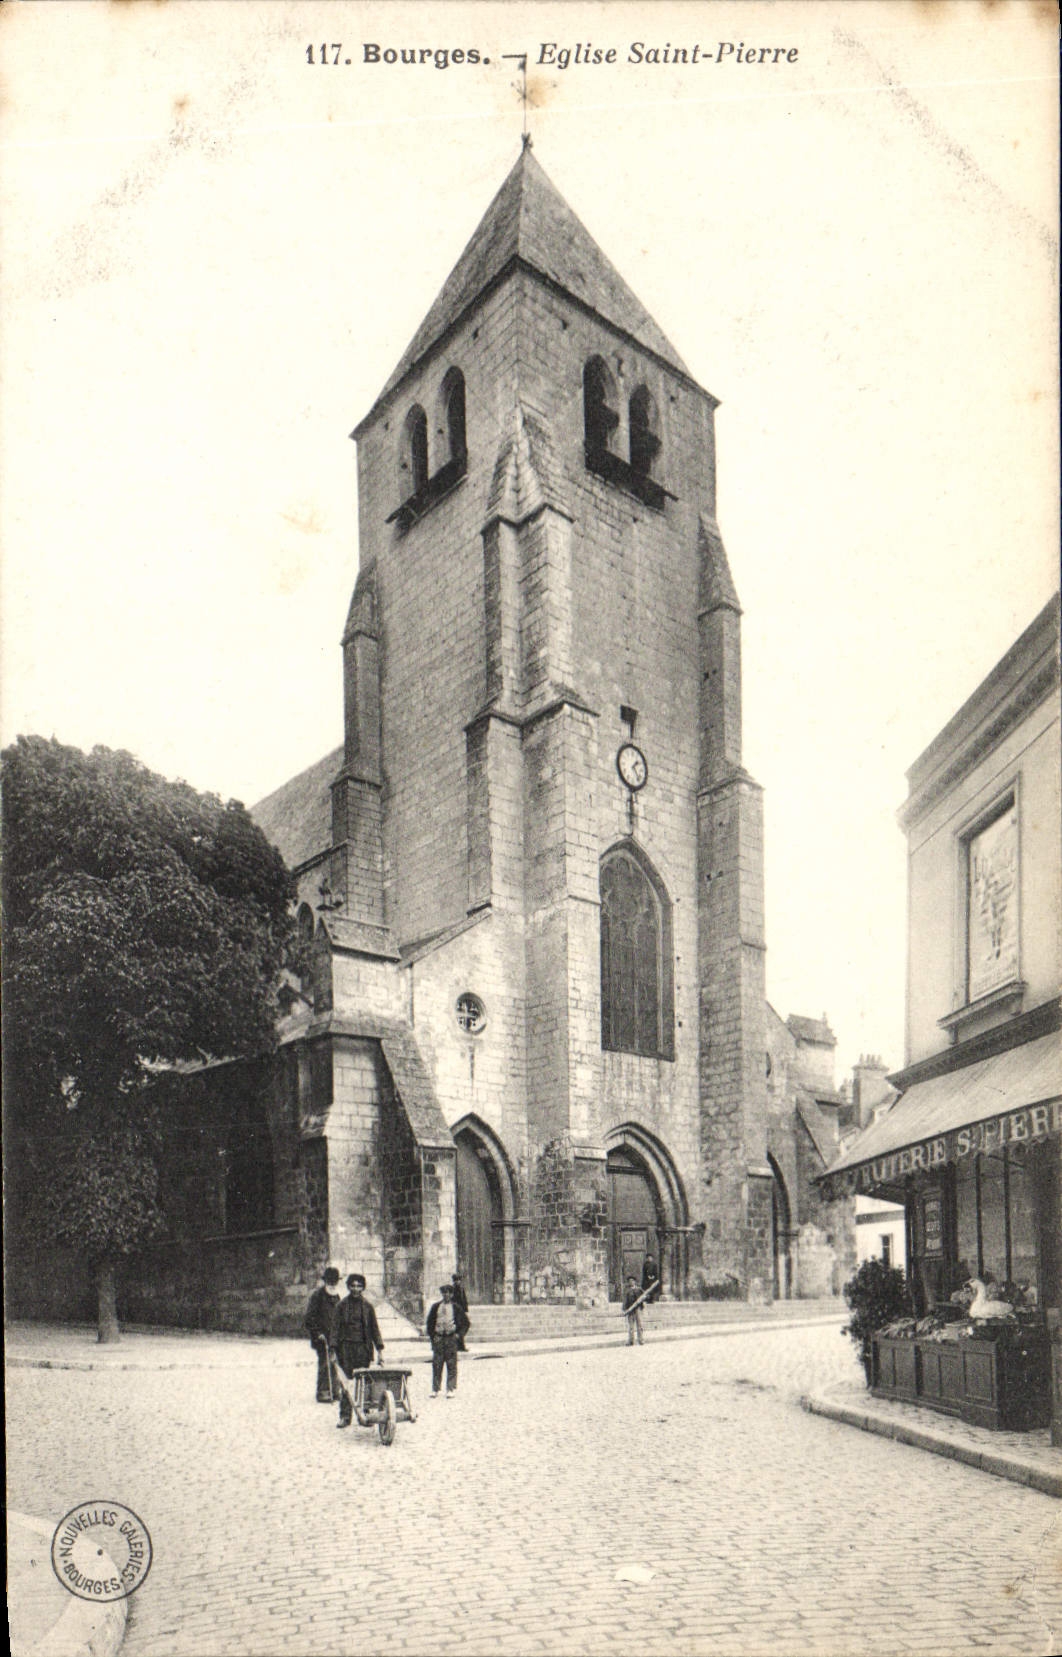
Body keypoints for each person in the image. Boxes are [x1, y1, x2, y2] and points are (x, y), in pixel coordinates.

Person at [329, 1273, 385, 1428]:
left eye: (359, 1286)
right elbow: (334, 1329)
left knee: (365, 1382)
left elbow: (374, 1329)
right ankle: (345, 1417)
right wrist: (333, 1349)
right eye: (353, 1286)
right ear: (348, 1287)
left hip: (363, 1349)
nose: (355, 1289)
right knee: (346, 1384)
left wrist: (380, 1349)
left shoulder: (368, 1307)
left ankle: (366, 1415)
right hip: (346, 1349)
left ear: (363, 1288)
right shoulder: (341, 1306)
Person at [303, 1266, 341, 1402]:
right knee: (324, 1363)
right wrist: (318, 1332)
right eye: (330, 1282)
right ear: (325, 1281)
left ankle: (335, 1390)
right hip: (322, 1338)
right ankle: (323, 1392)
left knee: (335, 1363)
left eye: (334, 1282)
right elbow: (309, 1318)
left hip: (335, 1337)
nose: (332, 1284)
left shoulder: (336, 1296)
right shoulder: (317, 1296)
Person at [426, 1282, 468, 1399]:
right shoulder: (436, 1307)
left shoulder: (456, 1308)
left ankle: (450, 1388)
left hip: (451, 1339)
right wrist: (433, 1336)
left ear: (452, 1294)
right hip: (439, 1338)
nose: (446, 1295)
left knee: (451, 1364)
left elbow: (465, 1323)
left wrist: (459, 1335)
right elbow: (430, 1323)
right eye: (444, 1293)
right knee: (437, 1364)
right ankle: (435, 1389)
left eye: (449, 1293)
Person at [450, 1271, 470, 1352]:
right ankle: (460, 1346)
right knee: (459, 1327)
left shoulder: (461, 1289)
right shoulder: (452, 1289)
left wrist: (465, 1310)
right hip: (455, 1311)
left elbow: (464, 1299)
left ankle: (459, 1345)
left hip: (461, 1311)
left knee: (466, 1324)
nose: (458, 1281)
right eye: (456, 1280)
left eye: (459, 1280)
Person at [623, 1275, 645, 1346]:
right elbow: (625, 1300)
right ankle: (631, 1341)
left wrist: (644, 1298)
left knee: (640, 1325)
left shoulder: (639, 1289)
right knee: (631, 1326)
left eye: (632, 1281)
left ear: (635, 1282)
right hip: (630, 1309)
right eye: (629, 1281)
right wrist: (625, 1309)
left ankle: (641, 1340)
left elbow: (645, 1296)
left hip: (637, 1309)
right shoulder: (627, 1291)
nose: (631, 1282)